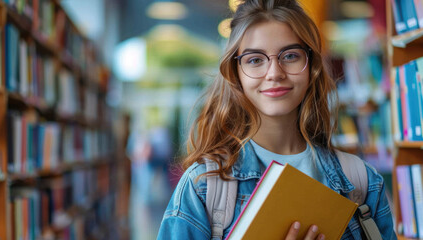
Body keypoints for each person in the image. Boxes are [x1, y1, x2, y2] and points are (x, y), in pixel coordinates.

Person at [157, 0, 396, 239]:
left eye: (290, 55)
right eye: (255, 60)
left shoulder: (362, 182)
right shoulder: (203, 188)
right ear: (236, 73)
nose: (274, 73)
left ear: (311, 65)